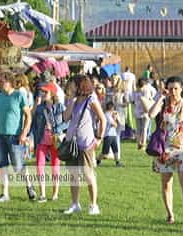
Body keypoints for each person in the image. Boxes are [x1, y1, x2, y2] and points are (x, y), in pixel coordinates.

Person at [0, 71, 36, 202]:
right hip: (0, 135)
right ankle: (4, 194)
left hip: (15, 136)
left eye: (1, 81)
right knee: (2, 165)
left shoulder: (19, 95)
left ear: (9, 82)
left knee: (18, 166)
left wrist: (24, 133)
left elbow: (28, 116)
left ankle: (30, 186)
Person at [149, 76, 183, 225]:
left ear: (182, 88)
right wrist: (161, 97)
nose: (173, 91)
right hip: (164, 149)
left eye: (176, 88)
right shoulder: (163, 104)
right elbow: (150, 114)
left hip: (182, 149)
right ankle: (170, 214)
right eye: (170, 88)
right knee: (166, 184)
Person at [63, 74, 106, 215]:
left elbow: (102, 119)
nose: (70, 86)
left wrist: (99, 138)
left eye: (73, 84)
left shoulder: (91, 99)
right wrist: (72, 101)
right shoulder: (74, 100)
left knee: (88, 174)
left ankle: (93, 205)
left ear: (80, 85)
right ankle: (75, 204)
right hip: (72, 142)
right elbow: (65, 117)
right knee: (73, 174)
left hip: (86, 143)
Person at [32, 82, 67, 203]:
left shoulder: (60, 106)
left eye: (45, 92)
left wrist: (57, 129)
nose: (42, 94)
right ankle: (42, 194)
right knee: (39, 166)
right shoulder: (40, 108)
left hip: (55, 140)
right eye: (42, 91)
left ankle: (55, 194)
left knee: (55, 167)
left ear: (52, 94)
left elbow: (68, 121)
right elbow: (33, 122)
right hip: (42, 140)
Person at [98, 101, 124, 167]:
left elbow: (120, 123)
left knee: (115, 150)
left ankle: (118, 162)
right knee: (105, 152)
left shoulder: (112, 114)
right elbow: (114, 124)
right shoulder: (106, 115)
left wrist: (116, 117)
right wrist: (115, 118)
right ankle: (97, 160)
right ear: (111, 108)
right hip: (108, 135)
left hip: (113, 135)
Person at [133, 78, 152, 150]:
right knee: (144, 129)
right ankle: (143, 144)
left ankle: (139, 143)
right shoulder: (146, 91)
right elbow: (147, 101)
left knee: (139, 129)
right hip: (145, 112)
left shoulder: (136, 92)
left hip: (137, 112)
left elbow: (134, 102)